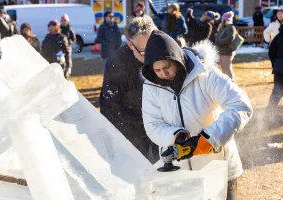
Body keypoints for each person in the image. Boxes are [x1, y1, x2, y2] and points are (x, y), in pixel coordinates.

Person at [141, 30, 252, 200]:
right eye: (157, 70)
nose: (163, 74)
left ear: (176, 60)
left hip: (218, 164)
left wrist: (208, 139)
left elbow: (240, 105)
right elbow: (152, 124)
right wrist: (175, 136)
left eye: (167, 67)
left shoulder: (205, 74)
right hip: (180, 172)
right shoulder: (151, 87)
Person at [100, 16, 159, 164]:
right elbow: (110, 107)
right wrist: (134, 139)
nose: (150, 56)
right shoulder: (117, 63)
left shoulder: (163, 48)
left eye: (153, 48)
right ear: (130, 45)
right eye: (143, 52)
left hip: (161, 124)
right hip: (133, 126)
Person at [215, 11, 237, 82]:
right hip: (222, 51)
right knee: (224, 68)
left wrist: (219, 42)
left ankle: (232, 82)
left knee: (227, 68)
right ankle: (227, 82)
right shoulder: (224, 27)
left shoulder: (231, 27)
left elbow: (230, 38)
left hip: (227, 51)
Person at [60, 14, 76, 79]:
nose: (64, 22)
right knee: (60, 60)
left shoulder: (70, 29)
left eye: (65, 20)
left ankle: (68, 72)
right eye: (62, 20)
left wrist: (69, 42)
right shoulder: (59, 29)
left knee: (68, 60)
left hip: (68, 48)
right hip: (60, 49)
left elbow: (74, 39)